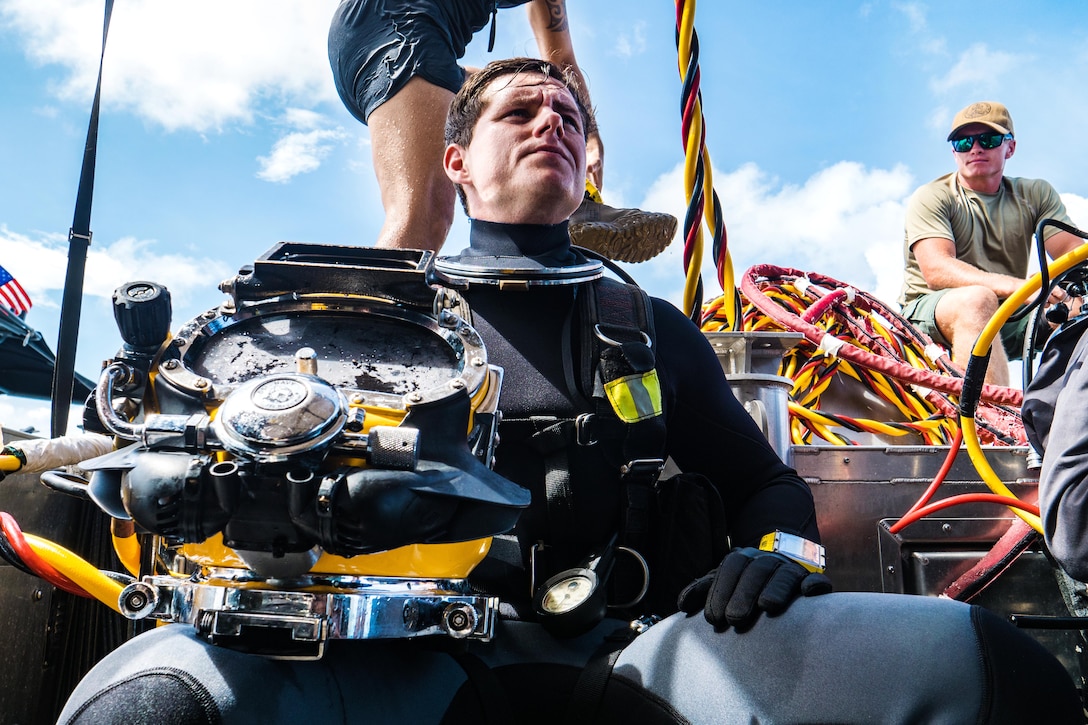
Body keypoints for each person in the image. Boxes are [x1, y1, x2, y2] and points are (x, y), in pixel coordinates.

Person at [58, 63, 1080, 723]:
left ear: (588, 164)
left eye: (570, 115)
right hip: (381, 662)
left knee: (983, 671)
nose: (550, 120)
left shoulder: (643, 326)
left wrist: (777, 558)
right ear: (454, 160)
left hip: (628, 659)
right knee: (146, 701)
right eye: (519, 110)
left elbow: (771, 485)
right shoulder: (356, 323)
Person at [328, 0, 677, 262]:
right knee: (427, 212)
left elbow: (560, 60)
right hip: (396, 23)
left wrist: (588, 136)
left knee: (516, 94)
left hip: (426, 42)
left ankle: (579, 208)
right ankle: (358, 338)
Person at [899, 100, 1083, 386]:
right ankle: (988, 423)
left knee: (1076, 309)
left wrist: (1068, 292)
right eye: (963, 142)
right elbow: (937, 270)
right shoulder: (934, 196)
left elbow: (1073, 253)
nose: (975, 148)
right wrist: (1021, 287)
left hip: (1010, 314)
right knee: (977, 299)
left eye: (988, 139)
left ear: (1010, 147)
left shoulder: (1034, 194)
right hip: (933, 313)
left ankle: (1062, 421)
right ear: (953, 151)